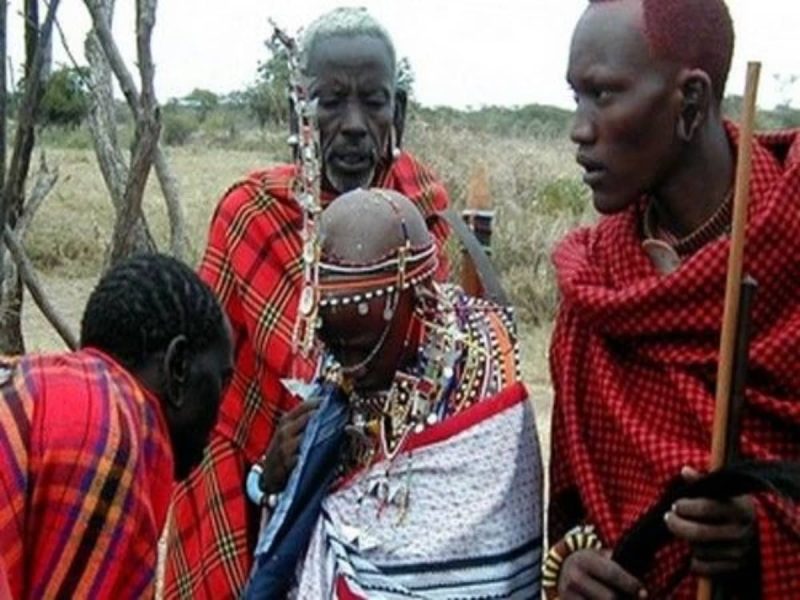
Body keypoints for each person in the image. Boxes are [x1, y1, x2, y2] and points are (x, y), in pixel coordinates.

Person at [166, 7, 451, 598]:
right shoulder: (252, 215)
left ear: (397, 111)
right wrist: (261, 476)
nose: (352, 125)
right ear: (299, 109)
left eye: (372, 102)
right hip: (260, 510)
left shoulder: (422, 214)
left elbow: (448, 377)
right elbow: (202, 407)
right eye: (329, 101)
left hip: (396, 510)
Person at [546, 0, 800, 598]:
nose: (580, 129)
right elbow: (575, 512)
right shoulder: (597, 281)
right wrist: (570, 565)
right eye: (575, 98)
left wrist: (766, 535)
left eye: (603, 95)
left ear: (689, 101)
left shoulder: (789, 238)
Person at [245, 188, 542, 599]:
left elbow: (487, 556)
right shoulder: (335, 368)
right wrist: (271, 479)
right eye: (335, 347)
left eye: (363, 347)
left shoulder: (484, 378)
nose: (350, 368)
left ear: (419, 305)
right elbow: (303, 529)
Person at [0, 254, 233, 599]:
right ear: (178, 367)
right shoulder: (108, 428)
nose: (218, 418)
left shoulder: (41, 385)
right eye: (221, 382)